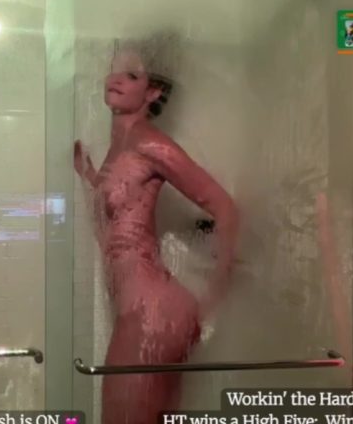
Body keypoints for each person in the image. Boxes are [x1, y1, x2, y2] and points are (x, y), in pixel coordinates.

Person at [73, 37, 239, 423]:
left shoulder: (149, 143)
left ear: (153, 92)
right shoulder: (120, 148)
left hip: (153, 313)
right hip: (140, 311)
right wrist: (87, 176)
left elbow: (225, 208)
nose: (116, 79)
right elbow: (114, 231)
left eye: (131, 75)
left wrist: (214, 300)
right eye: (114, 70)